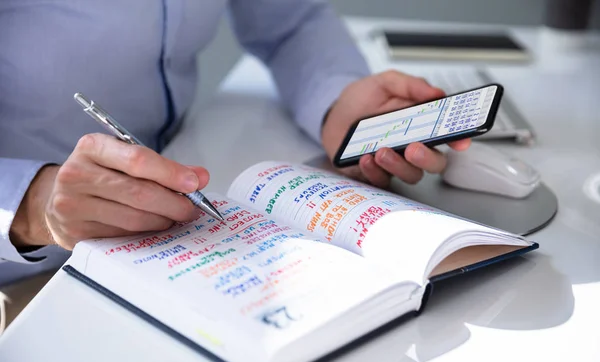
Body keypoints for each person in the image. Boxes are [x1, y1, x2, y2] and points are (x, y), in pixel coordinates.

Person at [0, 1, 470, 324]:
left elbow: (289, 20)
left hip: (175, 243)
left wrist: (335, 98)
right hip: (28, 280)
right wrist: (33, 205)